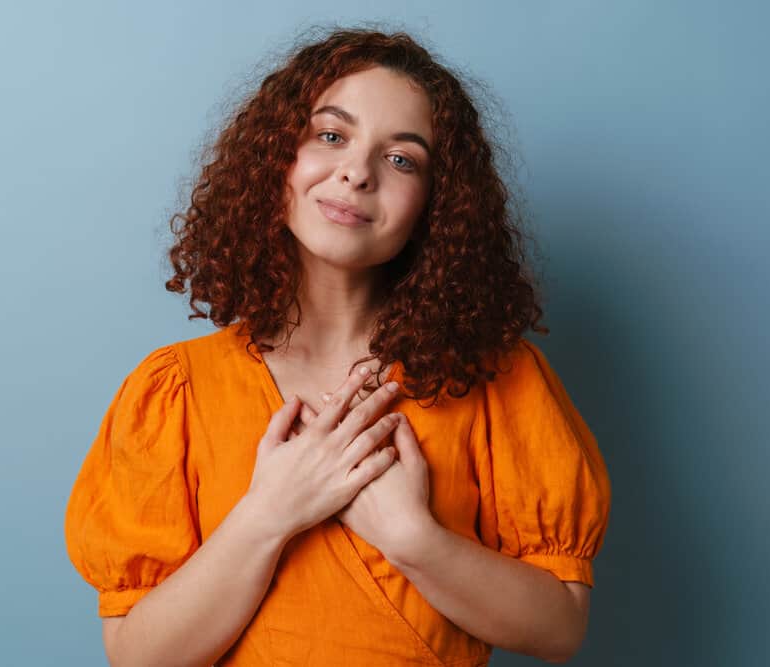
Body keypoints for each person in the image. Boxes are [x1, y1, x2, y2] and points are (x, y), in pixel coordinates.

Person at [64, 26, 611, 667]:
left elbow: (559, 629)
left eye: (401, 158)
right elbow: (138, 657)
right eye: (331, 135)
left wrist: (411, 537)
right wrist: (270, 513)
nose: (356, 172)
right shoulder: (175, 390)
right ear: (275, 158)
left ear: (436, 206)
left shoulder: (495, 378)